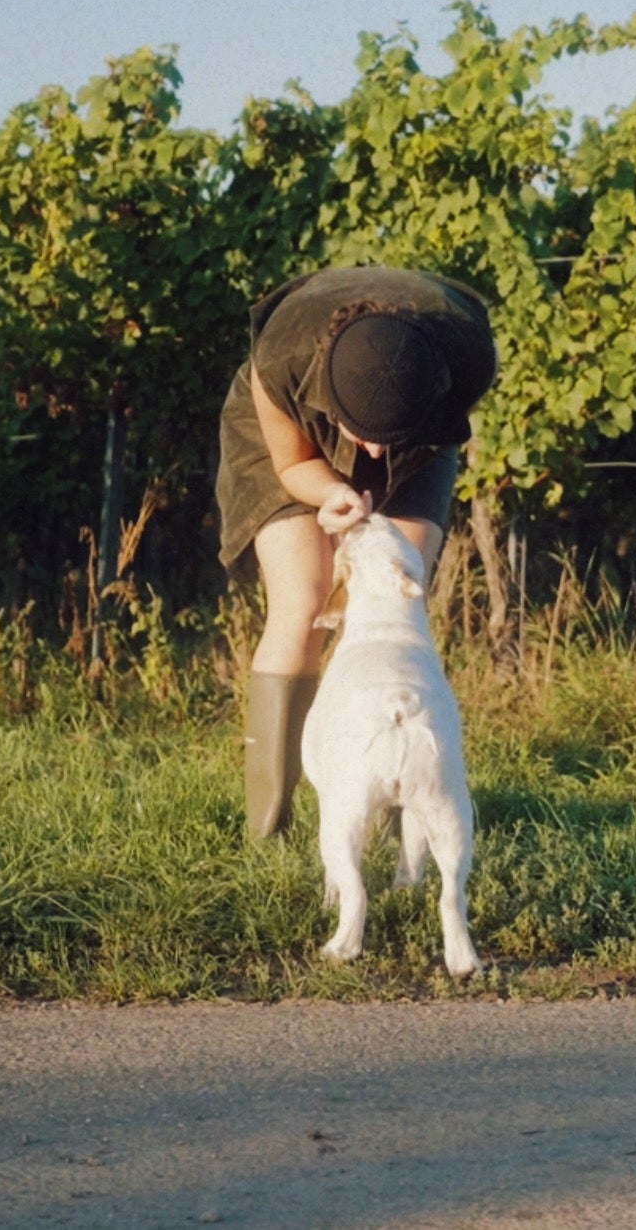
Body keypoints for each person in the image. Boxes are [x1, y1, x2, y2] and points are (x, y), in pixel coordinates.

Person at [215, 266, 497, 841]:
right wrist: (332, 491)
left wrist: (399, 444)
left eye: (380, 439)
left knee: (396, 599)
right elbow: (294, 464)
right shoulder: (282, 361)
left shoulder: (467, 362)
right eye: (359, 433)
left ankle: (403, 813)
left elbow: (410, 440)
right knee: (306, 597)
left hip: (420, 427)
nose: (369, 451)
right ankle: (268, 823)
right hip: (288, 437)